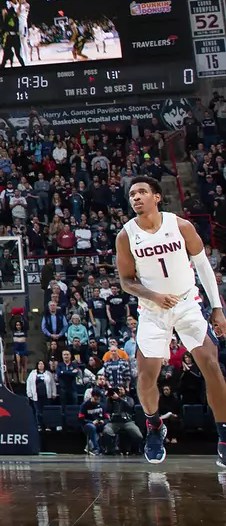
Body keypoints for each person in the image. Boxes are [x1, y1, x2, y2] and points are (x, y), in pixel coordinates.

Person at [115, 174, 226, 466]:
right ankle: (154, 426)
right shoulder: (126, 235)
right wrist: (153, 295)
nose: (136, 197)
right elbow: (126, 281)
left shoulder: (181, 226)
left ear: (156, 197)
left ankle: (224, 435)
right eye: (132, 194)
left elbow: (203, 266)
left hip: (187, 303)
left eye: (141, 192)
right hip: (153, 310)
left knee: (211, 364)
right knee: (145, 376)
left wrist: (217, 308)